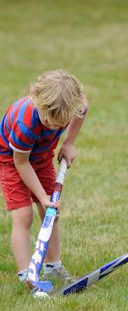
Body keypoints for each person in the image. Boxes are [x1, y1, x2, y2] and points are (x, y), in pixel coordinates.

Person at [0, 69, 88, 290]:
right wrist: (42, 195)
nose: (52, 127)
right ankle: (26, 274)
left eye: (59, 124)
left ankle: (53, 266)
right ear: (37, 102)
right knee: (24, 216)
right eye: (48, 122)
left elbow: (82, 112)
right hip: (12, 162)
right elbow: (21, 163)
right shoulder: (25, 124)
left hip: (42, 156)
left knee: (51, 212)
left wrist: (69, 143)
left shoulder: (74, 104)